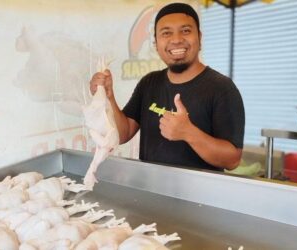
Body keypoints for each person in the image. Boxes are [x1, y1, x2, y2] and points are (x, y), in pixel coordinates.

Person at [90, 2, 245, 171]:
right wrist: (109, 97)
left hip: (199, 196)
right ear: (156, 43)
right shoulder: (149, 83)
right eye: (166, 33)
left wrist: (188, 132)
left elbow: (232, 160)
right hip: (152, 190)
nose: (177, 39)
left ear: (199, 37)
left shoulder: (222, 88)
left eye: (185, 31)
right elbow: (123, 134)